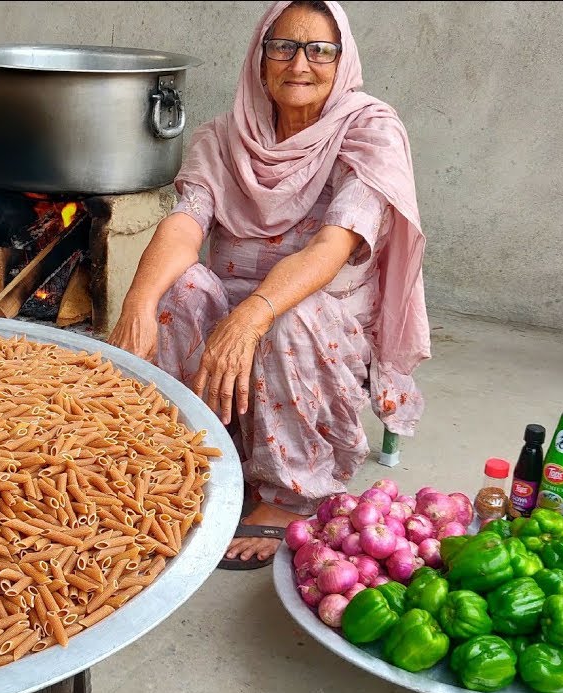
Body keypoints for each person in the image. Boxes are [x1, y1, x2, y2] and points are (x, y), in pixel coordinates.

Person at [107, 0, 430, 570]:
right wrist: (137, 302)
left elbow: (333, 246)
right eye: (282, 46)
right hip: (241, 308)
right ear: (260, 60)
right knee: (178, 289)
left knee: (291, 313)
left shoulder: (370, 129)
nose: (299, 63)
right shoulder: (223, 137)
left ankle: (288, 495)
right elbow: (185, 223)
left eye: (319, 50)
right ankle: (201, 452)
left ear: (343, 60)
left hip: (320, 320)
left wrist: (252, 314)